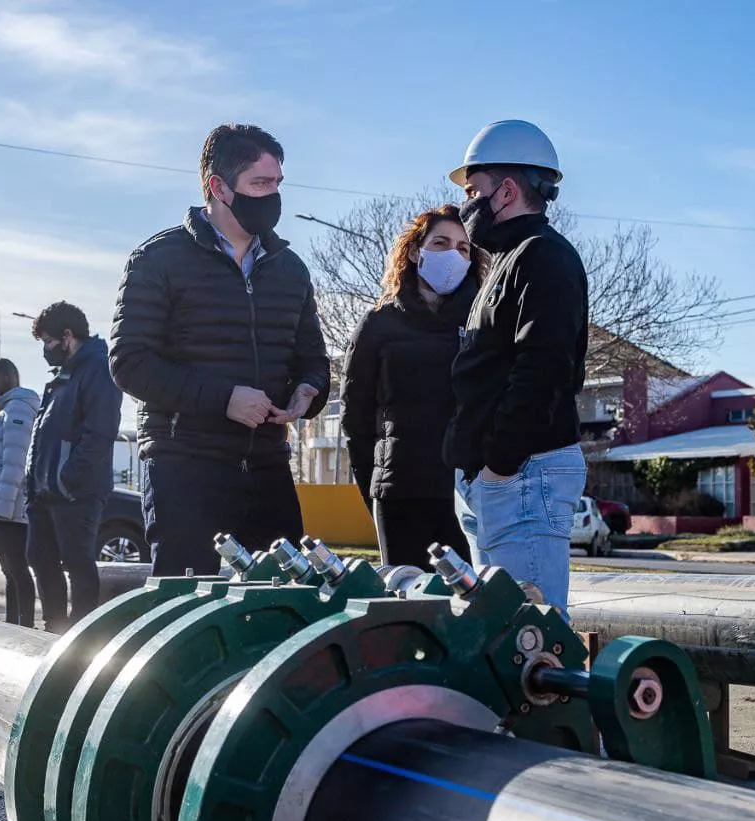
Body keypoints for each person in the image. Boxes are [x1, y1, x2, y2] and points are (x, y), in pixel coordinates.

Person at [110, 123, 330, 576]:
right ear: (219, 187)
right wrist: (224, 398)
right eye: (260, 183)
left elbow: (312, 355)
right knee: (187, 606)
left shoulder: (290, 269)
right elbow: (130, 362)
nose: (272, 196)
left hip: (268, 464)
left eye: (277, 184)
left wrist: (310, 389)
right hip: (185, 466)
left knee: (286, 605)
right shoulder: (158, 259)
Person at [443, 120, 589, 613]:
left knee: (529, 640)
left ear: (505, 191)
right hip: (498, 480)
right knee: (497, 639)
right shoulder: (506, 261)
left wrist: (500, 464)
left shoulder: (543, 257)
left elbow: (543, 368)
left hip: (522, 477)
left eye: (473, 190)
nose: (467, 204)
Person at [341, 205, 480, 571]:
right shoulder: (378, 324)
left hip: (465, 495)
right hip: (399, 492)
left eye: (463, 248)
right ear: (416, 252)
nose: (453, 254)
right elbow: (355, 419)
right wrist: (373, 490)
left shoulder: (482, 324)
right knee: (407, 606)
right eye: (440, 243)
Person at [25, 302, 122, 633]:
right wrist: (33, 482)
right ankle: (54, 628)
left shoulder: (97, 369)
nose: (45, 350)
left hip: (75, 492)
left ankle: (81, 636)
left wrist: (68, 479)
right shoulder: (62, 376)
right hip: (44, 493)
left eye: (48, 342)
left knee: (78, 563)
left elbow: (100, 432)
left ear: (67, 336)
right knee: (39, 557)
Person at [0, 358, 41, 627]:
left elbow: (15, 461)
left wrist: (0, 510)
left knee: (16, 569)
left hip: (10, 508)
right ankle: (12, 623)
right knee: (10, 570)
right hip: (3, 505)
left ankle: (23, 624)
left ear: (1, 379)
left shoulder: (16, 410)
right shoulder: (5, 411)